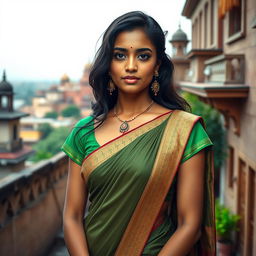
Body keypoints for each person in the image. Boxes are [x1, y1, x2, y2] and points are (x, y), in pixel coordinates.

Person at [61, 11, 216, 256]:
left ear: (157, 65)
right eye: (120, 55)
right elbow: (71, 216)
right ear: (108, 64)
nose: (131, 66)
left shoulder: (184, 131)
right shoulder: (83, 133)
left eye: (143, 56)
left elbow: (190, 225)